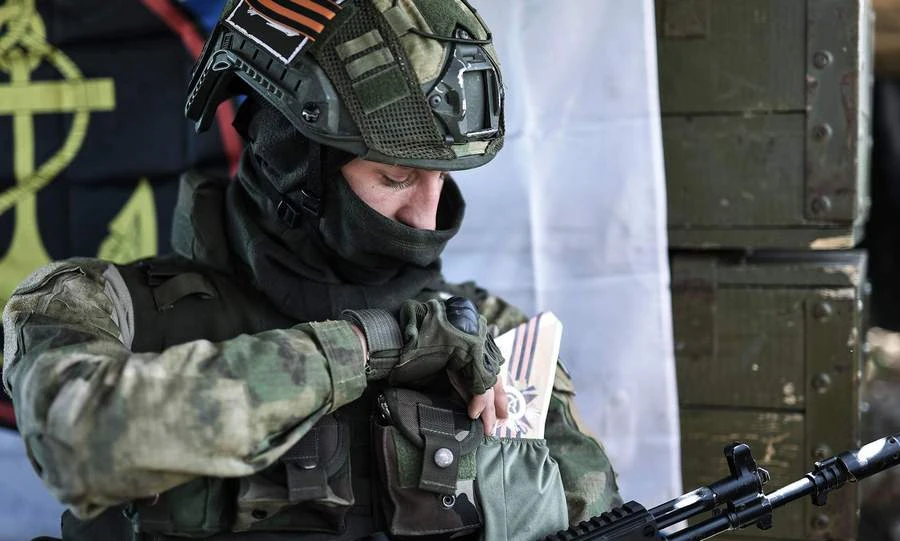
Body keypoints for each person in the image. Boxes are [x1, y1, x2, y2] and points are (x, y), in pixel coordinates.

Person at [2, 0, 621, 539]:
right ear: (292, 160)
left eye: (442, 179)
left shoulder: (496, 337)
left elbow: (591, 512)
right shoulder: (96, 305)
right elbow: (79, 445)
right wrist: (370, 345)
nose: (426, 217)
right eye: (396, 177)